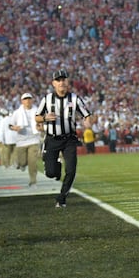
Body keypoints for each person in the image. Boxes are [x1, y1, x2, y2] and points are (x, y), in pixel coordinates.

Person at [36, 69, 94, 207]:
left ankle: (62, 198)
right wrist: (45, 118)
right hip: (52, 139)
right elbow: (37, 116)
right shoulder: (47, 99)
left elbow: (87, 114)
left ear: (68, 82)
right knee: (51, 173)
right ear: (53, 83)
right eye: (58, 80)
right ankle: (56, 165)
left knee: (71, 170)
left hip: (69, 139)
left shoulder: (74, 98)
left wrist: (87, 121)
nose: (61, 82)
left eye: (64, 79)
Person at [9, 93, 43, 188]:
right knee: (22, 162)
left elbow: (42, 122)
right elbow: (10, 125)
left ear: (32, 100)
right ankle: (21, 164)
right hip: (21, 141)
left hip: (34, 139)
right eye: (25, 99)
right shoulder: (17, 112)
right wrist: (14, 127)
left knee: (33, 162)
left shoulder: (37, 111)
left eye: (29, 99)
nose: (27, 101)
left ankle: (33, 182)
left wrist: (41, 127)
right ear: (22, 101)